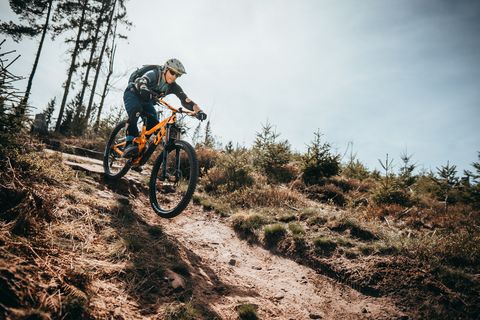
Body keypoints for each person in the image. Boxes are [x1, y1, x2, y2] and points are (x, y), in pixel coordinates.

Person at [123, 58, 206, 158]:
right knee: (135, 111)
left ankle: (138, 155)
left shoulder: (173, 87)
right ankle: (129, 144)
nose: (174, 77)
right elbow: (142, 80)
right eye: (172, 72)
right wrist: (143, 87)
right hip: (133, 93)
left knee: (154, 125)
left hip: (147, 101)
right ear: (165, 69)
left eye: (177, 75)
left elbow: (185, 100)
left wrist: (198, 111)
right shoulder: (154, 74)